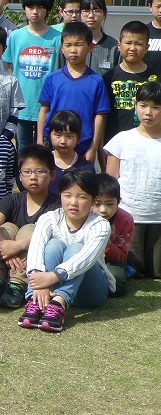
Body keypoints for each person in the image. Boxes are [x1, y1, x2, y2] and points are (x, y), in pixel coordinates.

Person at [19, 168, 111, 332]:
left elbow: (85, 259)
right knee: (53, 245)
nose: (73, 202)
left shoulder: (100, 225)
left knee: (76, 249)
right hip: (48, 287)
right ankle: (35, 302)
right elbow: (35, 249)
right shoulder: (49, 218)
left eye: (82, 197)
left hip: (90, 291)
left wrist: (53, 276)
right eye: (67, 195)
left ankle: (59, 304)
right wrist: (39, 284)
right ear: (60, 195)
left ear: (93, 201)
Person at [0, 145, 59, 308]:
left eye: (40, 172)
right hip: (4, 258)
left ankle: (17, 284)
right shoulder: (11, 199)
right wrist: (5, 249)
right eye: (27, 172)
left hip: (32, 264)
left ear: (52, 175)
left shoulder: (56, 206)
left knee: (31, 229)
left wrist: (17, 246)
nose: (33, 177)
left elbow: (51, 234)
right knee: (6, 227)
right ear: (20, 175)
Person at [104, 81, 161, 278]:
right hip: (130, 216)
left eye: (156, 107)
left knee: (156, 272)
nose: (149, 112)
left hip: (159, 216)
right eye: (143, 105)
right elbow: (110, 182)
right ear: (135, 106)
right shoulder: (122, 139)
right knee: (135, 269)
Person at [37, 21, 109, 162]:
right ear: (62, 48)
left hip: (83, 146)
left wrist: (93, 147)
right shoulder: (53, 78)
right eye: (68, 45)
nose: (73, 50)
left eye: (79, 44)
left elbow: (100, 116)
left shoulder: (96, 81)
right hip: (55, 144)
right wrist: (40, 140)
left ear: (90, 47)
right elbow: (44, 110)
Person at [3, 0, 62, 151]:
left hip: (48, 105)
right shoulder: (16, 36)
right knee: (23, 149)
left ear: (48, 10)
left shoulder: (57, 37)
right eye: (30, 7)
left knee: (47, 149)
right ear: (24, 9)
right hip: (23, 105)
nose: (35, 12)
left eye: (40, 7)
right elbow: (9, 67)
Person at [103, 20, 157, 143]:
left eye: (138, 44)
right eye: (128, 43)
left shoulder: (156, 79)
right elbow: (102, 116)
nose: (132, 48)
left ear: (147, 47)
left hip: (147, 142)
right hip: (113, 143)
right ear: (119, 45)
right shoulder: (108, 78)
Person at [94, 173, 133, 297]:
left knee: (119, 286)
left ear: (118, 202)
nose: (103, 210)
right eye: (97, 204)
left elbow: (121, 255)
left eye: (109, 204)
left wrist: (108, 242)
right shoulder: (84, 216)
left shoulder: (125, 220)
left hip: (111, 259)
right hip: (88, 256)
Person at [46, 111, 93, 197]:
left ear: (78, 137)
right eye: (58, 135)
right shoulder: (43, 163)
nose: (63, 141)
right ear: (50, 135)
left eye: (69, 136)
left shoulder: (86, 168)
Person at [80, 0, 118, 78]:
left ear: (104, 13)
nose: (90, 16)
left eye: (96, 11)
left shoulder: (114, 47)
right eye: (86, 11)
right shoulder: (71, 44)